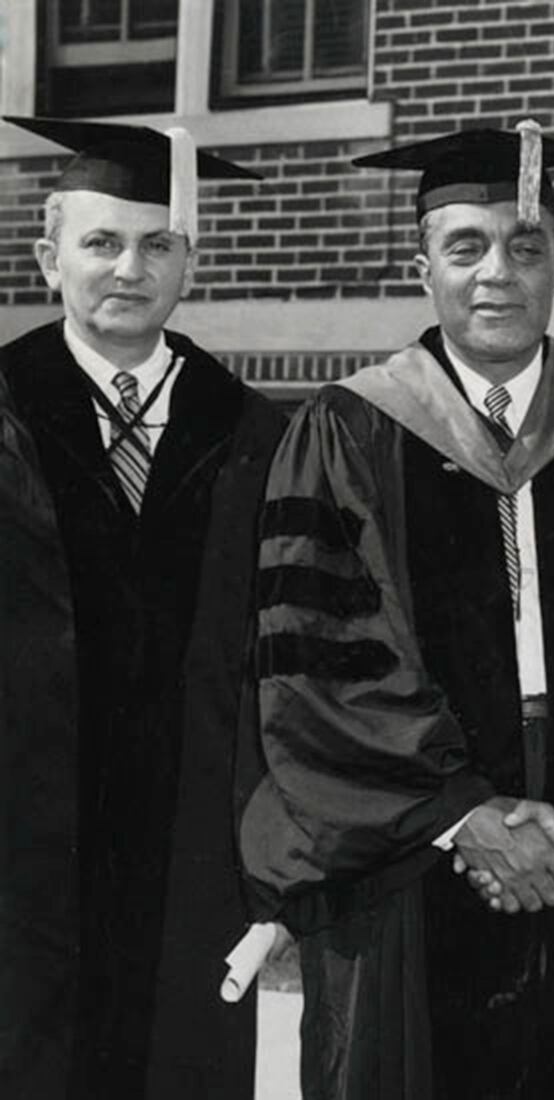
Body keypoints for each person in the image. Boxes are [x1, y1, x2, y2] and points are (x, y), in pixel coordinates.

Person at [239, 123, 554, 1100]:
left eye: (525, 244)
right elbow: (318, 662)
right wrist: (461, 813)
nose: (497, 272)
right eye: (466, 246)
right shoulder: (347, 427)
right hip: (411, 856)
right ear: (422, 268)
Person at [0, 117, 285, 1098]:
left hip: (195, 854)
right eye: (102, 241)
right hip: (19, 855)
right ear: (48, 257)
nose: (130, 266)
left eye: (157, 243)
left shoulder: (253, 428)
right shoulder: (4, 403)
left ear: (189, 262)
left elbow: (283, 660)